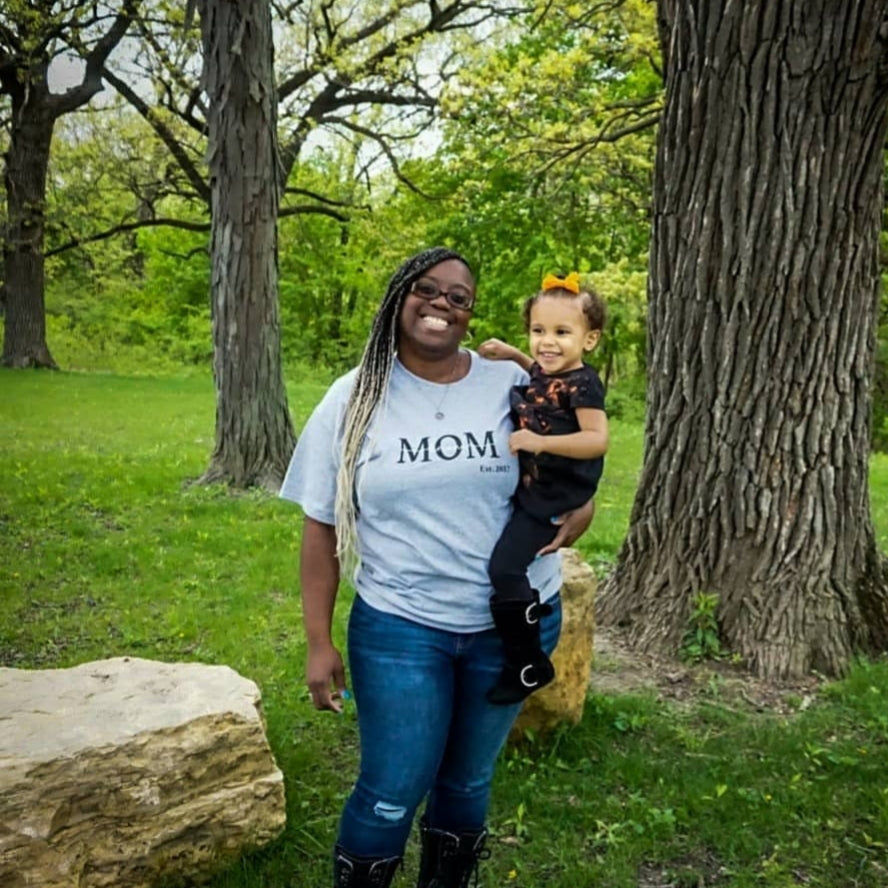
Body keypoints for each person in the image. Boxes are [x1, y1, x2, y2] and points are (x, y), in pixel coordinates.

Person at [279, 247, 594, 888]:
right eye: (427, 289)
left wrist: (582, 505)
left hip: (515, 623)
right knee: (391, 788)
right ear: (400, 296)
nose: (441, 305)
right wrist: (318, 641)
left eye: (459, 297)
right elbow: (321, 527)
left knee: (468, 781)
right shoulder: (352, 399)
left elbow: (575, 451)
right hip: (403, 628)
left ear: (471, 313)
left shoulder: (509, 381)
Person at [478, 272, 608, 705]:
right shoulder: (549, 371)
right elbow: (536, 370)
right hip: (536, 486)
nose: (546, 342)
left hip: (550, 496)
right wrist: (511, 353)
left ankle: (527, 662)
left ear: (589, 340)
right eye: (538, 331)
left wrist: (540, 442)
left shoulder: (584, 383)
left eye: (561, 333)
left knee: (505, 569)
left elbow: (597, 439)